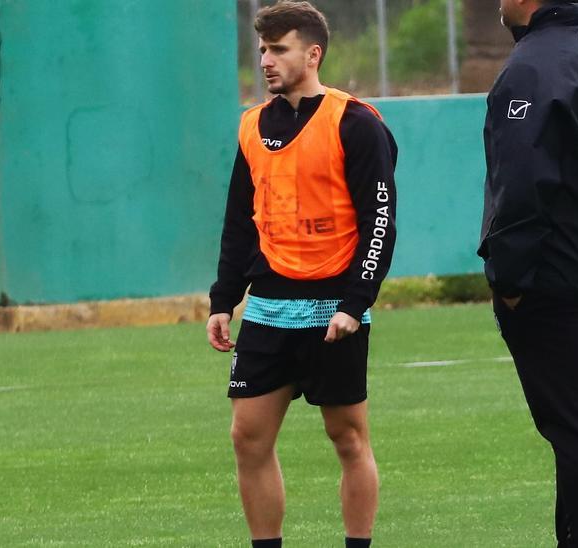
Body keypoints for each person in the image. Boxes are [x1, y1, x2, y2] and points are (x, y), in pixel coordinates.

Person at [206, 2, 397, 547]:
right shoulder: (250, 125)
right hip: (268, 305)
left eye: (279, 49)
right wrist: (223, 299)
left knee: (348, 438)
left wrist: (354, 303)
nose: (266, 60)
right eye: (262, 49)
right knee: (247, 437)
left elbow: (379, 222)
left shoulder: (356, 123)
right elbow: (240, 222)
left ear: (312, 54)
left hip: (334, 306)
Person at [478, 0, 578, 546]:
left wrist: (507, 281)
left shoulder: (531, 68)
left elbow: (520, 187)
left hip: (550, 278)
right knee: (576, 423)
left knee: (576, 430)